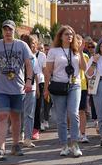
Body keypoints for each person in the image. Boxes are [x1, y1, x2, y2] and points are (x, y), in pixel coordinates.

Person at [0, 20, 33, 160]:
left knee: (15, 118)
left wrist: (28, 81)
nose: (8, 32)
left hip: (18, 88)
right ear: (2, 31)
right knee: (2, 116)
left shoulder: (22, 45)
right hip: (0, 89)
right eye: (5, 29)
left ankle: (15, 145)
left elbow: (28, 65)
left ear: (14, 30)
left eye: (10, 29)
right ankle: (1, 148)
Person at [44, 25, 87, 157]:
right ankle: (64, 145)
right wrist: (46, 88)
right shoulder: (54, 51)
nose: (69, 36)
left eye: (71, 34)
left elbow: (84, 68)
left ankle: (74, 144)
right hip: (59, 86)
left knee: (73, 113)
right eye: (66, 34)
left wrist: (80, 52)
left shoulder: (75, 51)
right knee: (61, 117)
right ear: (60, 36)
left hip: (75, 85)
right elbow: (48, 71)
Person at [20, 34, 41, 148]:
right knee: (19, 113)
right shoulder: (18, 56)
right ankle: (20, 135)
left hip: (30, 88)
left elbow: (36, 74)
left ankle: (27, 138)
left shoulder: (33, 58)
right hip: (18, 88)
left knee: (29, 114)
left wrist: (37, 88)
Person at [33, 40, 48, 139]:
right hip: (26, 81)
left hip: (40, 82)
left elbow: (45, 71)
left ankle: (36, 129)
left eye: (34, 43)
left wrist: (47, 86)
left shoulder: (42, 55)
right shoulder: (24, 53)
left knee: (38, 106)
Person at [77, 34, 90, 143]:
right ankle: (73, 132)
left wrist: (90, 87)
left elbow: (86, 71)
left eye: (80, 42)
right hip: (70, 86)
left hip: (82, 86)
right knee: (71, 112)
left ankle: (83, 134)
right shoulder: (69, 54)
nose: (78, 44)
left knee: (82, 111)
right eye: (76, 42)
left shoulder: (85, 55)